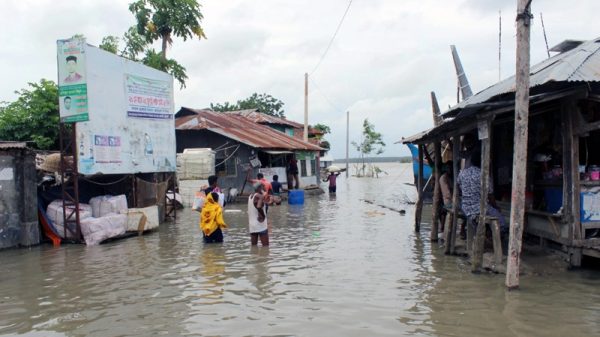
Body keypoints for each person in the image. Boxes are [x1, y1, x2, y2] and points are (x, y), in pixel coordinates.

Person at [457, 151, 507, 234]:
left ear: (472, 161)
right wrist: (496, 207)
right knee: (502, 223)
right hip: (479, 208)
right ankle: (493, 238)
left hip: (465, 208)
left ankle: (484, 235)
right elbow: (490, 195)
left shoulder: (462, 173)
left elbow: (458, 187)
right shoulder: (483, 175)